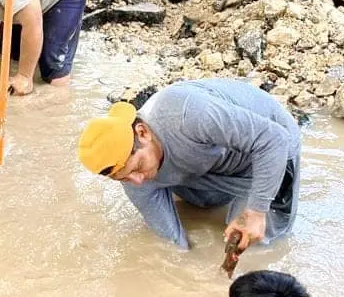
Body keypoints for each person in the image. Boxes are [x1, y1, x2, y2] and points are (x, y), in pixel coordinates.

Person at [77, 79, 301, 250]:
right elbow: (170, 241)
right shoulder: (128, 170)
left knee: (255, 243)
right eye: (124, 178)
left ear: (142, 132)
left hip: (265, 148)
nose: (137, 180)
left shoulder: (191, 116)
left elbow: (274, 140)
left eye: (137, 167)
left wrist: (256, 210)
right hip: (209, 160)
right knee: (192, 217)